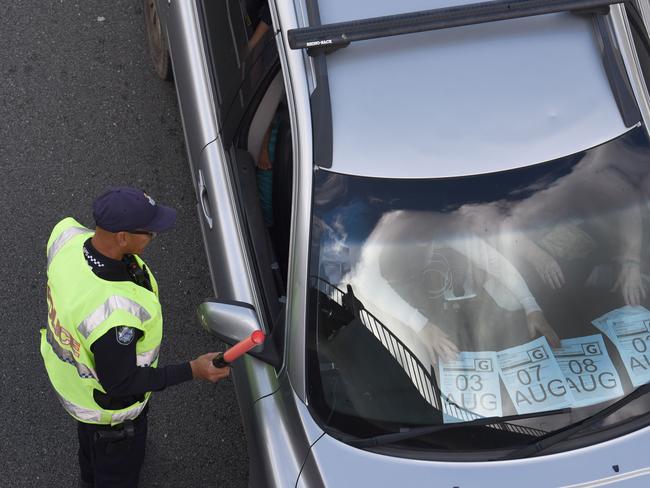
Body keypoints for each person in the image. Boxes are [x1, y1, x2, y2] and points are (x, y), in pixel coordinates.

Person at [40, 187, 230, 488]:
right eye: (149, 231)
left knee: (89, 456)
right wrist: (193, 370)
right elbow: (120, 383)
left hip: (79, 391)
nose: (154, 236)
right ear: (122, 237)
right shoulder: (114, 316)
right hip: (110, 419)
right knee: (115, 474)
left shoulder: (67, 236)